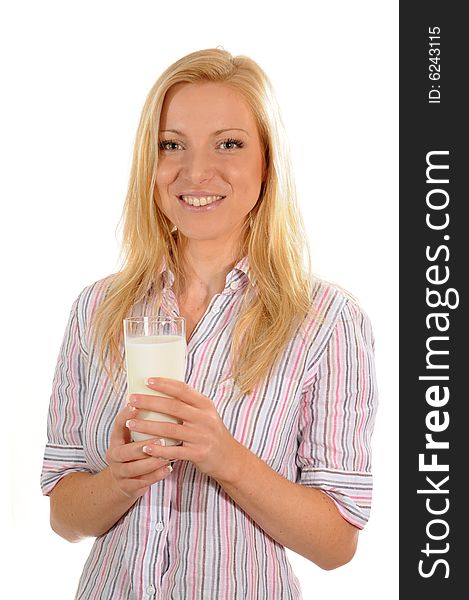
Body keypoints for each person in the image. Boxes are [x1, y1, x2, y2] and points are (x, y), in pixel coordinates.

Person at [41, 48, 378, 600]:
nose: (195, 172)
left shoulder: (326, 320)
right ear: (148, 165)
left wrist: (226, 457)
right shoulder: (97, 308)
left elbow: (336, 545)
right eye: (171, 145)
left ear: (267, 163)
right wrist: (117, 482)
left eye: (229, 144)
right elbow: (64, 515)